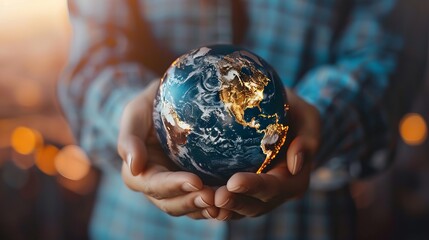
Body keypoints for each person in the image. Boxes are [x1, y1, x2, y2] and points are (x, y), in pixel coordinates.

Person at [58, 0, 400, 239]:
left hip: (307, 224)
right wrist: (126, 112)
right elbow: (92, 59)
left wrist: (320, 120)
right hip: (136, 226)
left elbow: (386, 55)